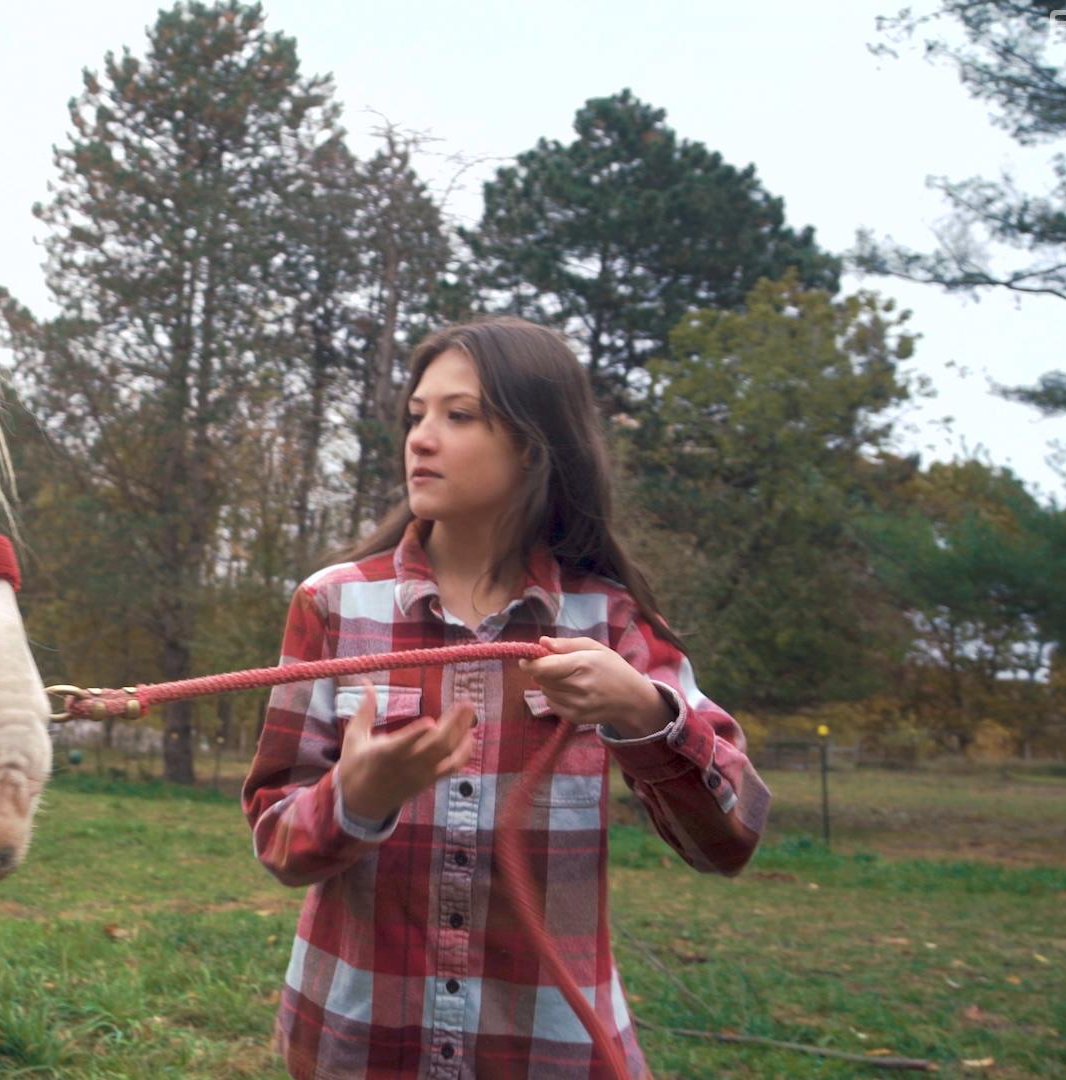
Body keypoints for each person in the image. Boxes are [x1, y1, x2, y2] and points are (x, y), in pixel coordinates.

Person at [242, 316, 770, 1079]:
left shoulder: (610, 620)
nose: (420, 438)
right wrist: (353, 798)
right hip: (356, 1044)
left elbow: (729, 840)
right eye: (415, 415)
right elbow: (278, 841)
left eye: (458, 416)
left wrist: (644, 715)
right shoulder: (333, 607)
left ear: (534, 444)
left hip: (547, 1050)